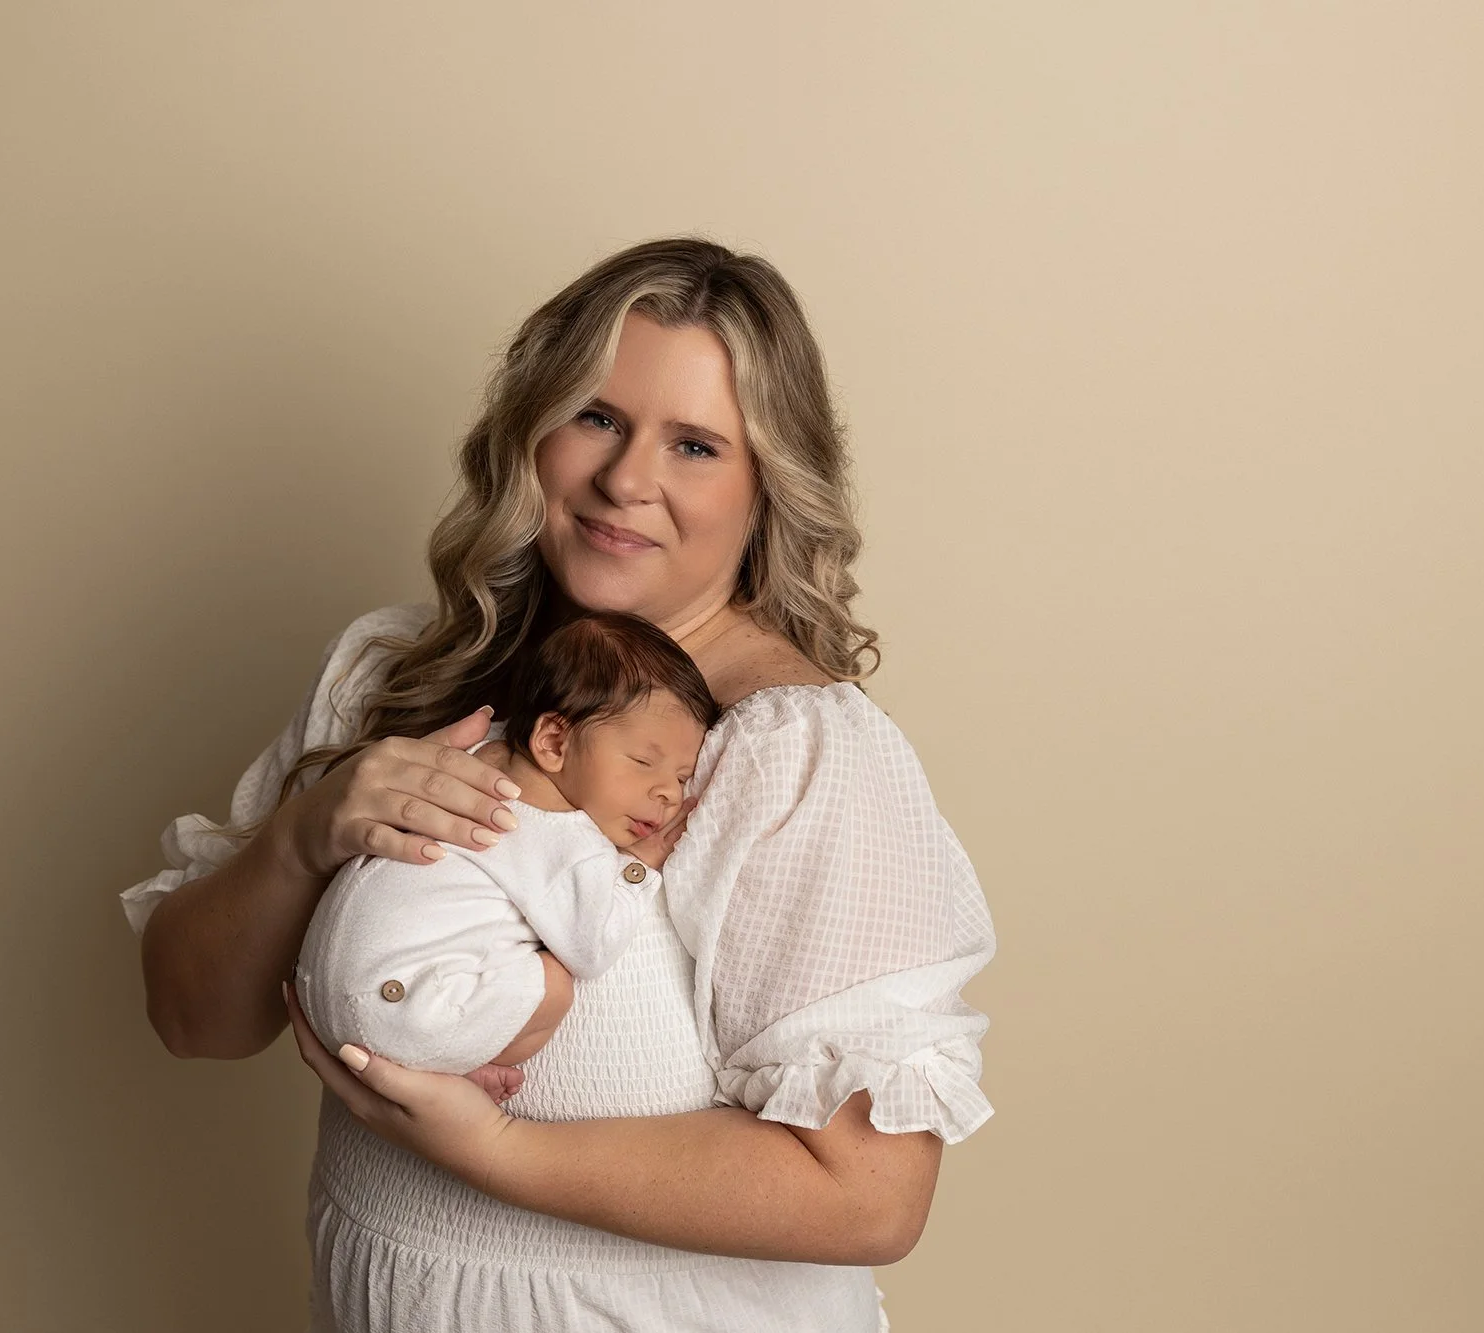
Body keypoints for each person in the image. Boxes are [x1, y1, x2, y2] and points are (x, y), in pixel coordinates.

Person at [120, 236, 998, 1332]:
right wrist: (302, 838)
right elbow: (192, 1019)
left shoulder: (791, 753)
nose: (626, 479)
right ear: (528, 426)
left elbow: (869, 1195)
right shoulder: (397, 675)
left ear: (767, 489)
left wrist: (494, 1151)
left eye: (693, 445)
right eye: (594, 416)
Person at [292, 610, 719, 1105]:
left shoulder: (474, 756)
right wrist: (637, 866)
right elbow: (592, 946)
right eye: (643, 763)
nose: (667, 792)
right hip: (402, 1013)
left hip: (318, 996)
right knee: (556, 983)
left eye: (683, 776)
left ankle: (432, 1051)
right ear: (554, 742)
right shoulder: (563, 838)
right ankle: (450, 1062)